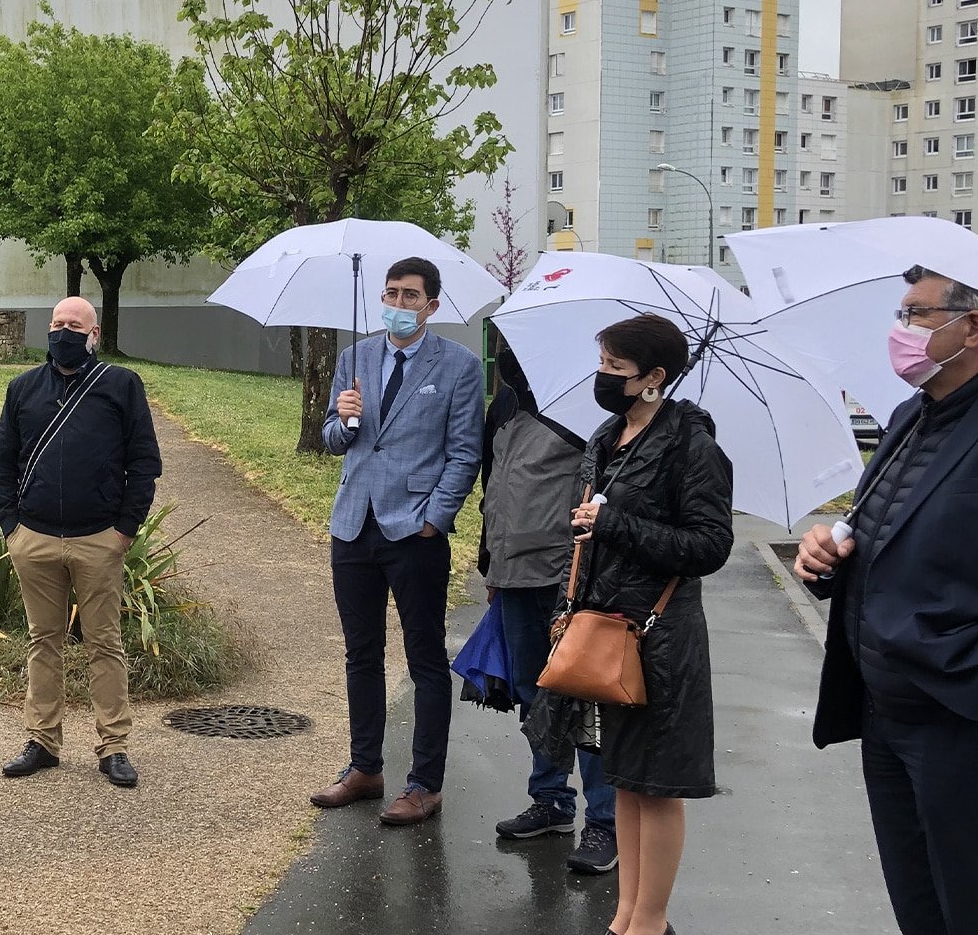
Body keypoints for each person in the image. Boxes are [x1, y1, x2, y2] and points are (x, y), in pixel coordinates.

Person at [794, 266, 978, 935]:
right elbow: (887, 535)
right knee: (919, 905)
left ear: (971, 327)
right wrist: (826, 558)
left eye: (915, 314)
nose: (900, 328)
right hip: (887, 713)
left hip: (967, 723)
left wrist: (977, 687)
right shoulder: (907, 416)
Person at [568, 313, 733, 935]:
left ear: (655, 377)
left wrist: (612, 525)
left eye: (616, 368)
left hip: (660, 637)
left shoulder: (692, 446)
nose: (603, 377)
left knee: (658, 785)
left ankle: (650, 921)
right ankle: (625, 918)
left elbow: (710, 545)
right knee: (628, 780)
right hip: (607, 627)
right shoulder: (609, 435)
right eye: (602, 363)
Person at [310, 257, 483, 826]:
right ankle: (365, 769)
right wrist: (344, 418)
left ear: (432, 305)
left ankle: (425, 784)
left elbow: (464, 452)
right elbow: (334, 442)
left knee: (425, 657)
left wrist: (435, 518)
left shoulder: (457, 365)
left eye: (411, 296)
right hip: (353, 524)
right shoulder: (353, 358)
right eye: (391, 293)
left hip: (415, 530)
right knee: (361, 653)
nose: (400, 304)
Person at [0, 296, 161, 789]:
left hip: (98, 539)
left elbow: (144, 463)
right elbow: (1, 461)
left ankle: (114, 746)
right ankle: (42, 741)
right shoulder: (23, 388)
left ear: (94, 334)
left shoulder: (121, 386)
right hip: (34, 538)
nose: (64, 332)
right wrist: (10, 527)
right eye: (57, 324)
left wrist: (123, 531)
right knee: (44, 641)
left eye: (75, 325)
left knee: (104, 643)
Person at [478, 344, 618, 875]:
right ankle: (551, 801)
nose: (509, 357)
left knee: (585, 700)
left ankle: (603, 821)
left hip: (568, 577)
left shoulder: (592, 410)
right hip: (512, 574)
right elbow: (491, 485)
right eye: (504, 346)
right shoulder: (504, 404)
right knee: (534, 698)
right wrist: (489, 561)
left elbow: (605, 491)